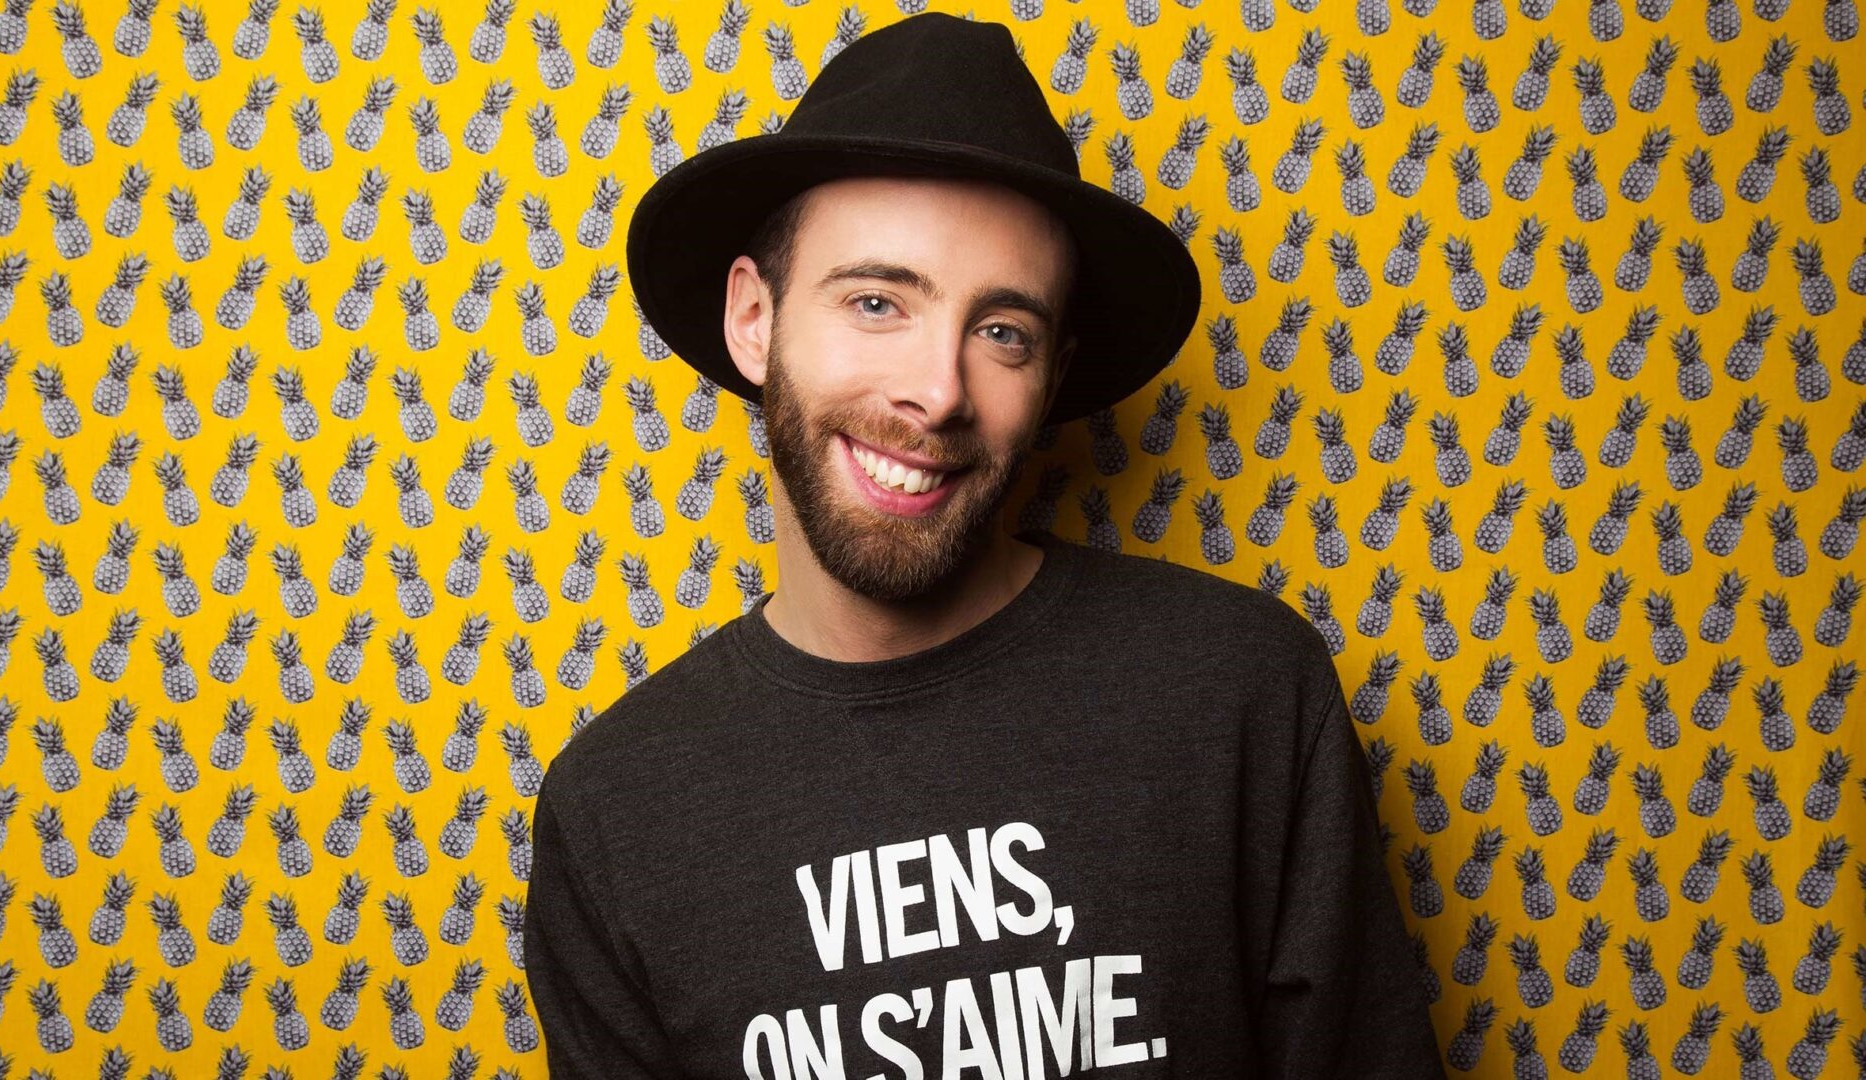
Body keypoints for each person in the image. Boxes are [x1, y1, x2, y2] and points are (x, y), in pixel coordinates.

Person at [525, 12, 1446, 1078]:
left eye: (1003, 332)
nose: (938, 392)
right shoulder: (616, 811)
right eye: (877, 302)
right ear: (754, 320)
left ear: (1051, 378)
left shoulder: (1242, 692)